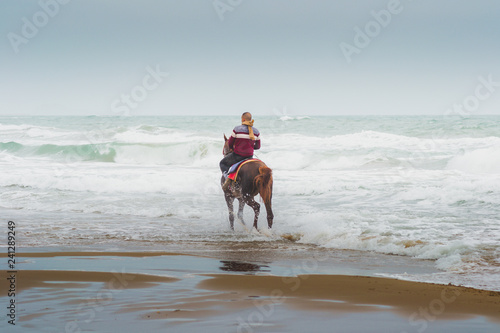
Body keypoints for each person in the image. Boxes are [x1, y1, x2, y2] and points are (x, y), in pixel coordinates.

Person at [220, 112, 260, 190]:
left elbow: (230, 144)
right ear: (250, 120)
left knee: (222, 163)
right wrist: (250, 146)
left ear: (243, 119)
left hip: (237, 156)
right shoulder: (256, 131)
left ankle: (227, 178)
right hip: (249, 156)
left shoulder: (237, 129)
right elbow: (258, 146)